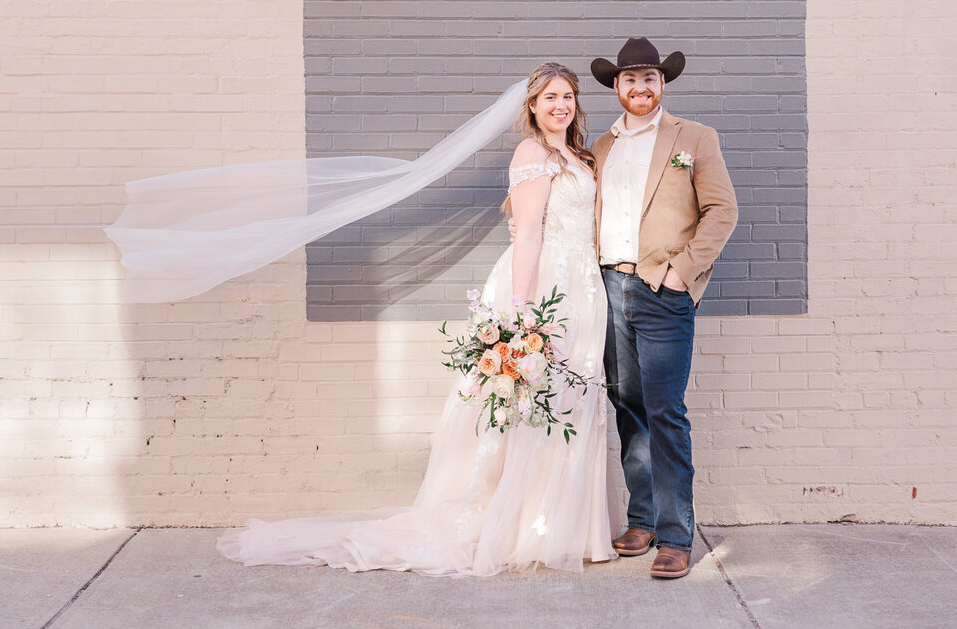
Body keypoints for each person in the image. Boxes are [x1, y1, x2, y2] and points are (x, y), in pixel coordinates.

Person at [216, 62, 616, 576]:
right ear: (533, 107)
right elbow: (531, 235)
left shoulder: (574, 154)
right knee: (532, 402)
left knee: (573, 398)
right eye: (549, 97)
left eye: (568, 96)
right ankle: (519, 527)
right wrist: (521, 315)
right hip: (547, 289)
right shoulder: (532, 153)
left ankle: (556, 526)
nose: (560, 104)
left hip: (583, 288)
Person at [590, 38, 738, 579]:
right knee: (627, 406)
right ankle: (642, 518)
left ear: (662, 84)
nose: (640, 88)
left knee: (664, 411)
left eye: (649, 78)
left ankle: (676, 535)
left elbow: (722, 210)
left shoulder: (694, 138)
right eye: (630, 80)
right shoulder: (599, 147)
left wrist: (681, 273)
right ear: (616, 87)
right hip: (607, 289)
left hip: (662, 292)